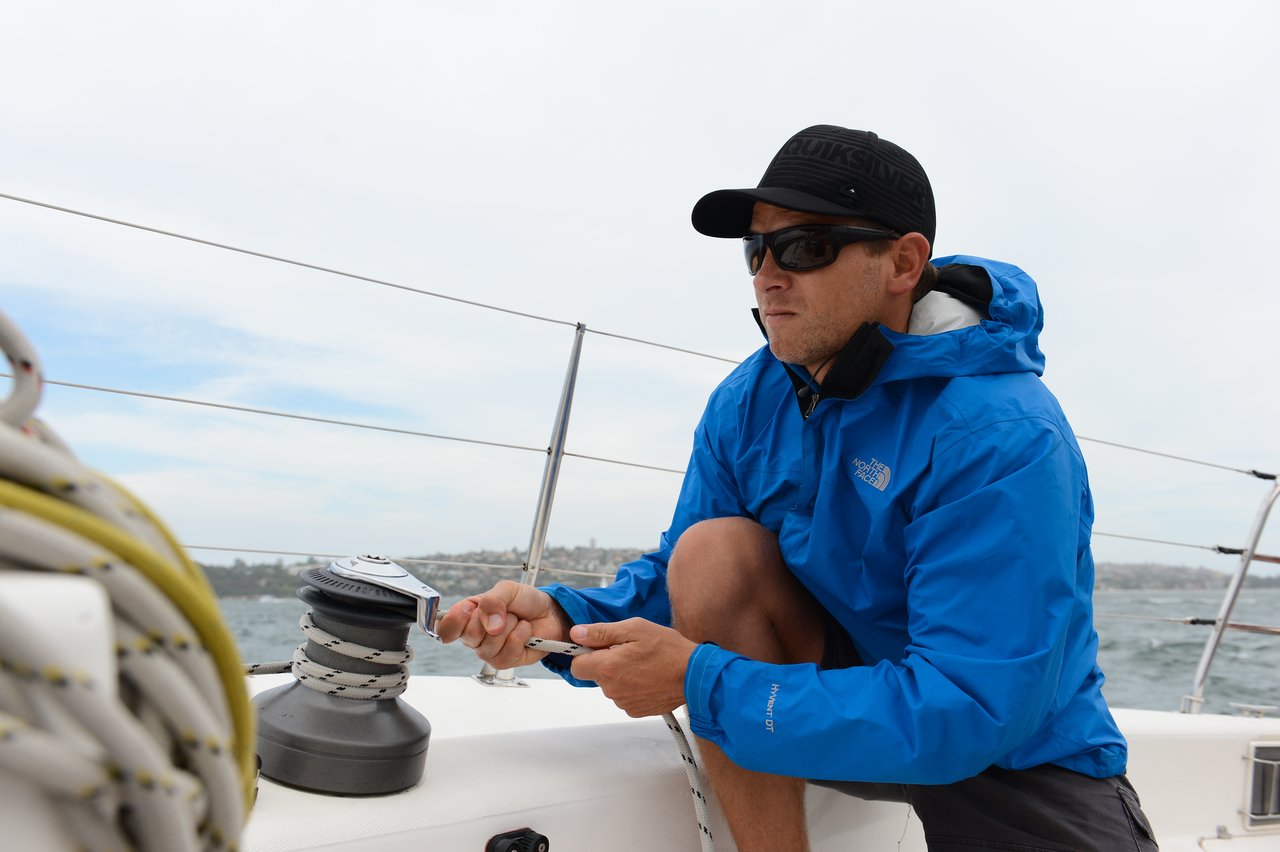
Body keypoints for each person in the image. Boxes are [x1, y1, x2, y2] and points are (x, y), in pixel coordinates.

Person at [438, 125, 1159, 851]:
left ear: (903, 263)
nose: (767, 274)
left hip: (1009, 749)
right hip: (823, 699)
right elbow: (680, 585)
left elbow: (972, 704)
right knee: (710, 552)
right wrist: (563, 623)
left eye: (805, 247)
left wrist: (706, 683)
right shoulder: (749, 401)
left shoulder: (1000, 432)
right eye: (756, 249)